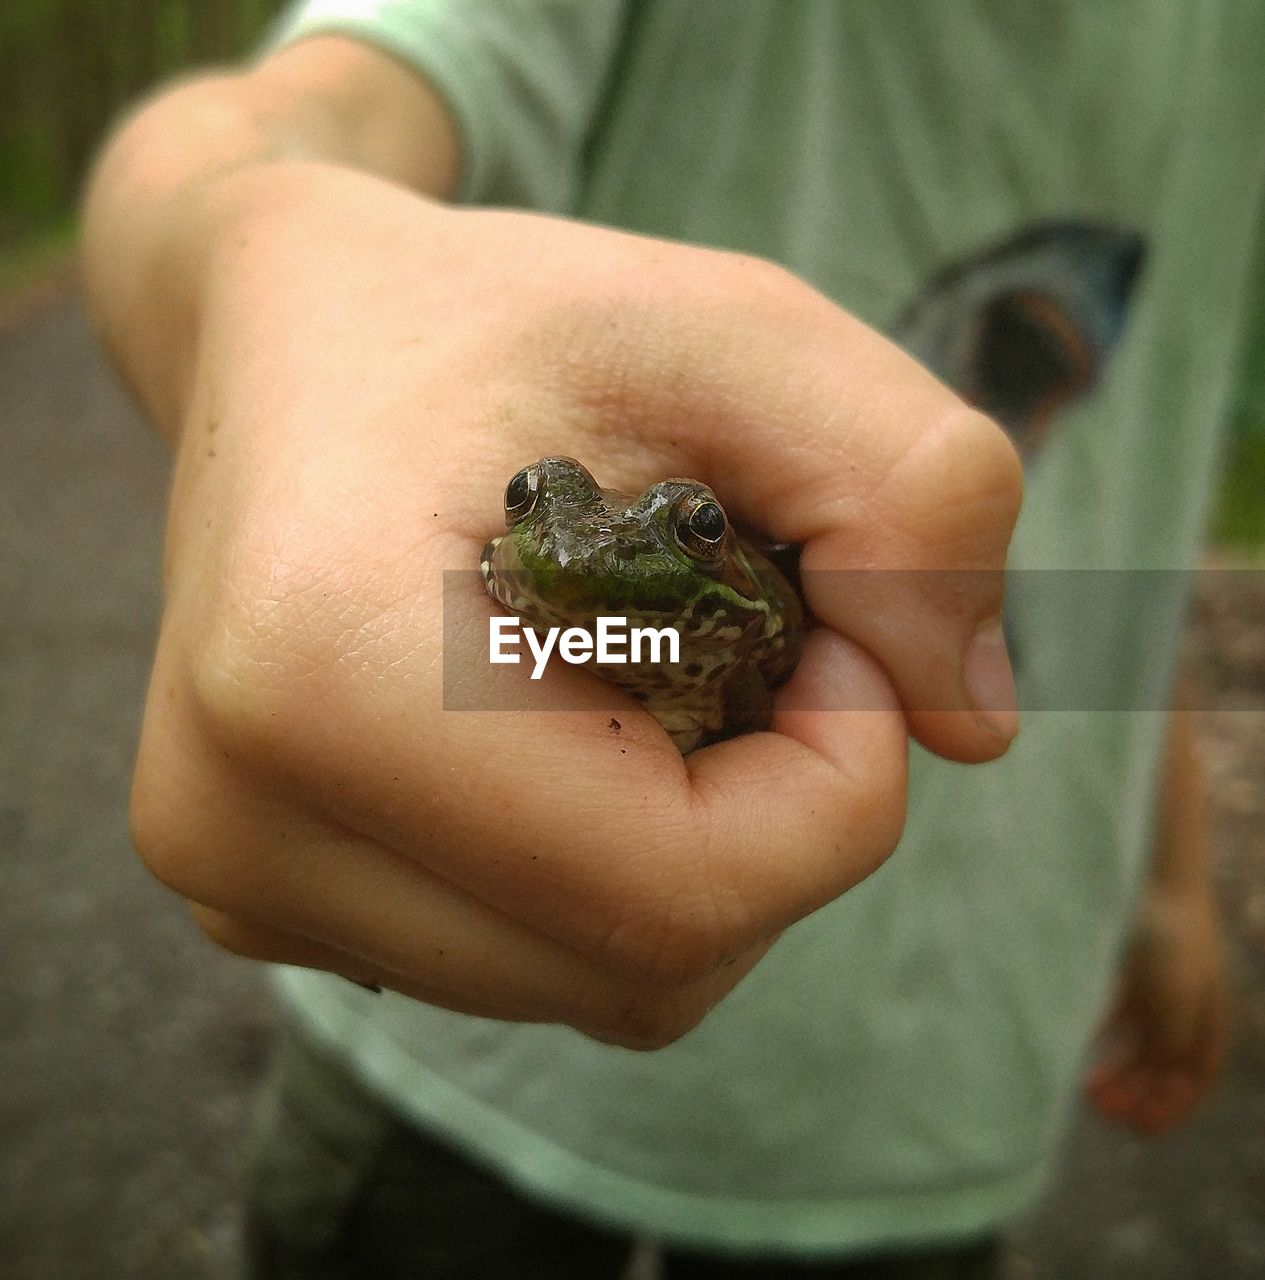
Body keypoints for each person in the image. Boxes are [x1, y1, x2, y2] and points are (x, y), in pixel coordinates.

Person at [79, 2, 1257, 1276]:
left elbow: (1134, 510)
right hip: (461, 1022)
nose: (567, 542)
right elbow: (298, 111)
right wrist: (253, 248)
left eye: (689, 531)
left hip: (920, 1077)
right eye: (534, 507)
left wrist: (1168, 873)